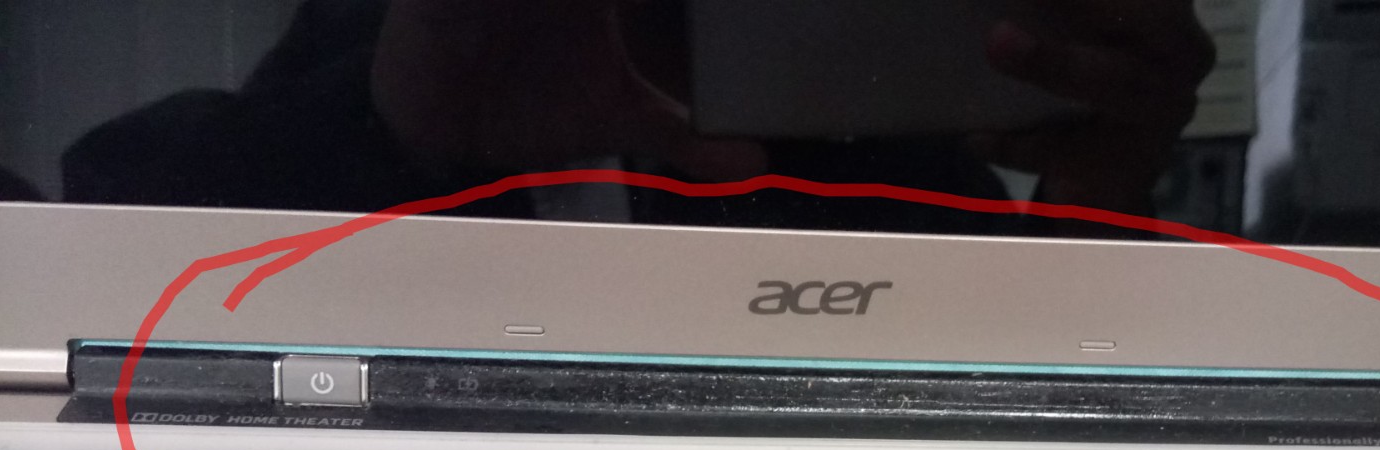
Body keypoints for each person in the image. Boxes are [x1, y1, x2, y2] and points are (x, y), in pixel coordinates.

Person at [64, 0, 1213, 235]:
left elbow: (991, 394)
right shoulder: (416, 34)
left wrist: (1098, 194)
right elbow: (115, 220)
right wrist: (396, 136)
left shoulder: (871, 137)